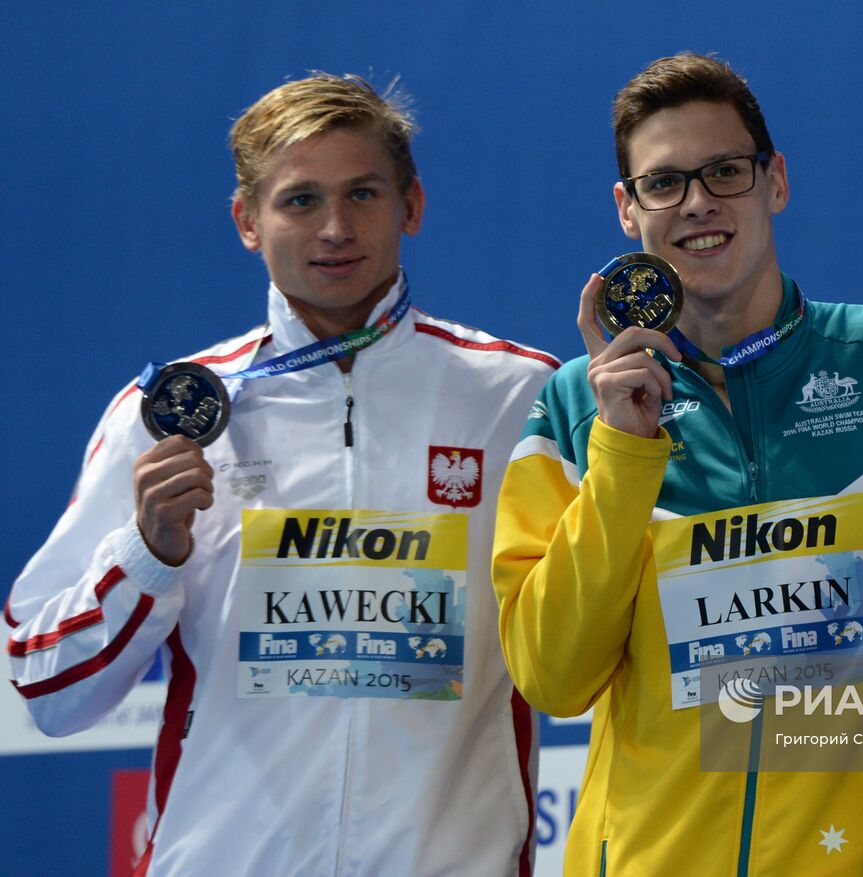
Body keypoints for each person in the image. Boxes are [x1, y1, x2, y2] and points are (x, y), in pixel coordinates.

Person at [6, 73, 558, 876]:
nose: (335, 227)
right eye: (300, 200)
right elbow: (43, 686)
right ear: (246, 221)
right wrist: (147, 551)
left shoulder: (521, 397)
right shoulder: (167, 412)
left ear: (412, 206)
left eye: (363, 193)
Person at [491, 53, 863, 876]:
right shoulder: (574, 407)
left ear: (776, 181)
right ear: (628, 210)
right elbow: (553, 676)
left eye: (726, 171)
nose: (698, 202)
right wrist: (624, 449)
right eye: (664, 183)